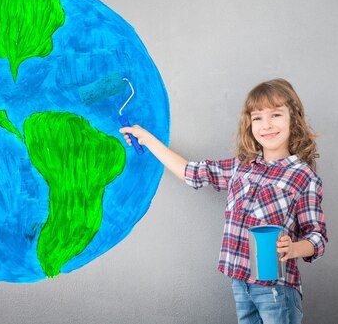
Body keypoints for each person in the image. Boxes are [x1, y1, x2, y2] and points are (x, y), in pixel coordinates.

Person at [120, 78, 327, 324]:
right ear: (249, 124)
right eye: (258, 117)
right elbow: (191, 172)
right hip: (240, 283)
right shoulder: (241, 167)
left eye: (276, 115)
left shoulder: (303, 176)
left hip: (276, 290)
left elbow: (317, 237)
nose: (267, 125)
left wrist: (293, 249)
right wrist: (146, 138)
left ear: (293, 118)